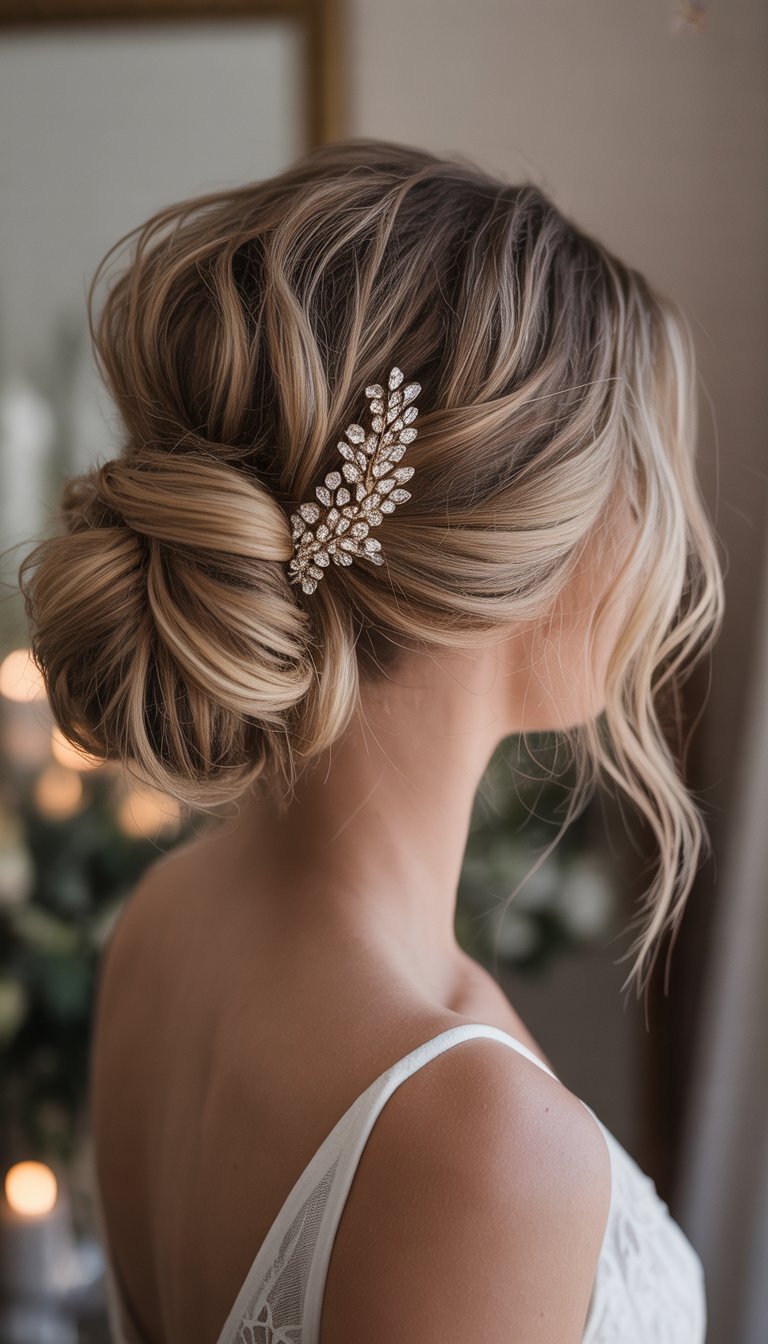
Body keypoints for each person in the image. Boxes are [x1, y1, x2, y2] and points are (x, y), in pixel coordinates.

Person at [18, 138, 723, 1342]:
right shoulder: (478, 1147)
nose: (666, 551)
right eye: (637, 482)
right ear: (511, 556)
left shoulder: (163, 924)